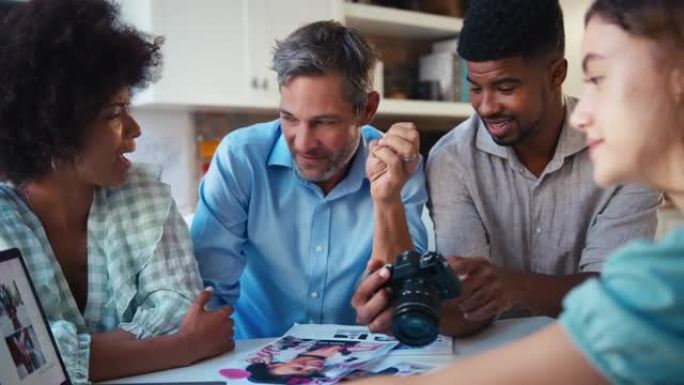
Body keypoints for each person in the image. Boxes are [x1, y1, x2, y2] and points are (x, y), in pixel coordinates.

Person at [350, 0, 684, 384]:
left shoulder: (658, 278)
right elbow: (467, 306)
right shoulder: (454, 158)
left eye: (600, 80)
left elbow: (616, 307)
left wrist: (516, 285)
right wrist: (412, 311)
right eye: (474, 87)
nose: (486, 106)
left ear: (556, 73)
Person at [0, 0, 234, 382]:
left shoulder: (144, 192)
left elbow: (179, 310)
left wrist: (75, 353)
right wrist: (182, 348)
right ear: (52, 128)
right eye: (112, 114)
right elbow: (24, 362)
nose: (134, 129)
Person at [192, 20, 427, 339]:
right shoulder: (241, 158)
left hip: (358, 362)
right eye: (289, 118)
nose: (302, 143)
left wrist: (387, 199)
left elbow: (403, 298)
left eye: (324, 122)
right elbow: (208, 296)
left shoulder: (398, 167)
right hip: (252, 358)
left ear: (366, 109)